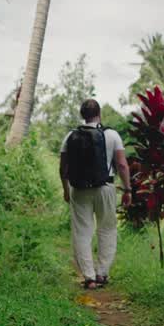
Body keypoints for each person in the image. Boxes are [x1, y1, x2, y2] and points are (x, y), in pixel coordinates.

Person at [60, 99, 131, 289]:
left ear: (82, 115)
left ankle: (89, 277)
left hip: (79, 189)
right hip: (105, 187)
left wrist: (66, 191)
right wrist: (127, 189)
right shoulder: (112, 135)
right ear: (99, 113)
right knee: (107, 230)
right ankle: (102, 273)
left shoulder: (70, 136)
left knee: (82, 232)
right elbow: (122, 165)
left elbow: (63, 168)